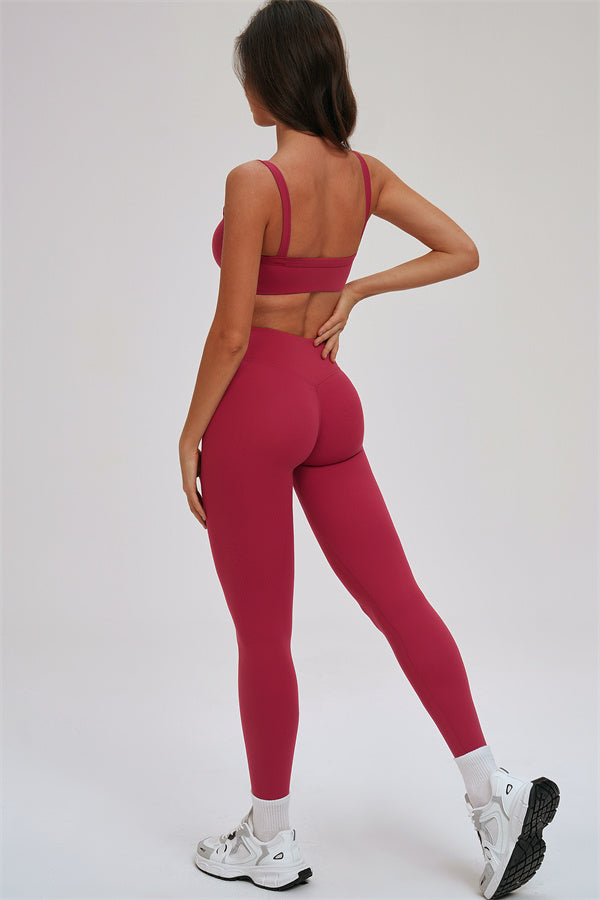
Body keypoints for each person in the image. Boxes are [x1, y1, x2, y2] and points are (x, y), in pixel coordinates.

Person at [178, 0, 559, 895]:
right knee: (400, 600)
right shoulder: (365, 175)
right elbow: (460, 249)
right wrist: (354, 291)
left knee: (264, 636)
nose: (243, 87)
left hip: (258, 403)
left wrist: (190, 431)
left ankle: (269, 839)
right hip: (329, 400)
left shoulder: (255, 181)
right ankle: (492, 795)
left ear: (271, 76)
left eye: (247, 71)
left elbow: (230, 335)